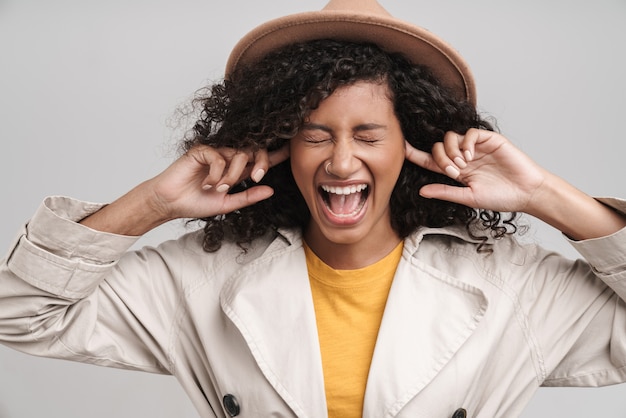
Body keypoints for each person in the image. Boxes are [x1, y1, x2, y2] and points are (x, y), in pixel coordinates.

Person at [1, 0, 625, 417]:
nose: (343, 163)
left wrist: (545, 195)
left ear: (411, 147)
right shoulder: (201, 278)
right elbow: (20, 313)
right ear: (279, 144)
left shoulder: (512, 285)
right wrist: (154, 203)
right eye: (315, 133)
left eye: (370, 136)